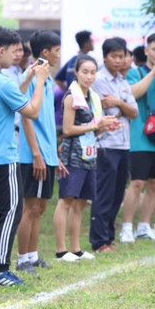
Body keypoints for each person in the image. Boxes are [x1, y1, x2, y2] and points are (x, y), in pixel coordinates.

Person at [0, 26, 50, 286]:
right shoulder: (2, 82)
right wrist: (40, 80)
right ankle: (1, 270)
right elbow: (32, 111)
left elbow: (11, 96)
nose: (18, 55)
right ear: (1, 50)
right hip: (3, 159)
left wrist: (27, 76)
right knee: (12, 210)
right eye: (14, 51)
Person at [12, 31, 61, 275]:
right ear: (45, 52)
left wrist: (53, 155)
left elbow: (47, 121)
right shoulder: (30, 76)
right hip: (33, 154)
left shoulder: (47, 78)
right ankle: (22, 259)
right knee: (29, 207)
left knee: (40, 207)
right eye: (57, 50)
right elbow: (26, 118)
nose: (59, 55)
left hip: (47, 153)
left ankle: (33, 255)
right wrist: (37, 153)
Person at [54, 56, 112, 261]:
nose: (89, 76)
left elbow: (92, 130)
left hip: (89, 155)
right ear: (76, 73)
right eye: (85, 72)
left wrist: (104, 127)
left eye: (93, 72)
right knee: (66, 201)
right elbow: (68, 130)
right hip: (72, 156)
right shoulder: (71, 96)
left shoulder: (92, 97)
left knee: (80, 203)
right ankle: (61, 251)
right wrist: (95, 126)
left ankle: (76, 249)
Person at [122, 33, 155, 242]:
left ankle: (144, 227)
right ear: (146, 51)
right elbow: (133, 93)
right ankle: (127, 227)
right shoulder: (135, 72)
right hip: (140, 137)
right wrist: (153, 72)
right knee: (137, 183)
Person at [87, 38, 136, 253]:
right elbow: (108, 113)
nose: (118, 60)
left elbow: (133, 112)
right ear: (105, 57)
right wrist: (121, 107)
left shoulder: (122, 81)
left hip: (123, 144)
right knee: (104, 193)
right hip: (106, 143)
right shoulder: (98, 80)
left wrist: (118, 103)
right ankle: (99, 241)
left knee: (117, 193)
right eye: (113, 56)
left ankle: (108, 236)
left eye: (121, 56)